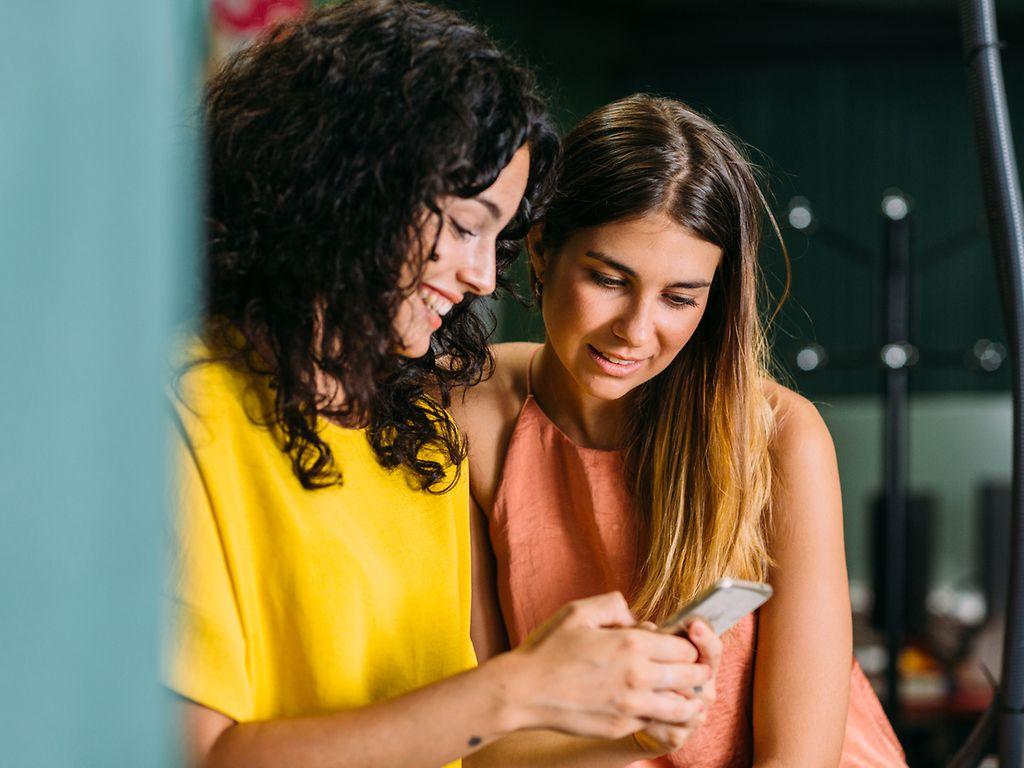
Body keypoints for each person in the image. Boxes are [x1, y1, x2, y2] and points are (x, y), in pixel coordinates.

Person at [167, 5, 717, 768]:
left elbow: (466, 747)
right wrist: (520, 688)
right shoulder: (181, 417)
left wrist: (617, 720)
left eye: (497, 238)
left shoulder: (416, 433)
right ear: (345, 188)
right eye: (464, 225)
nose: (483, 276)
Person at [453, 94, 907, 766]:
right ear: (543, 248)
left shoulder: (780, 436)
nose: (636, 332)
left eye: (679, 298)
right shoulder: (472, 419)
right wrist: (626, 733)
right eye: (609, 279)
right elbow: (480, 742)